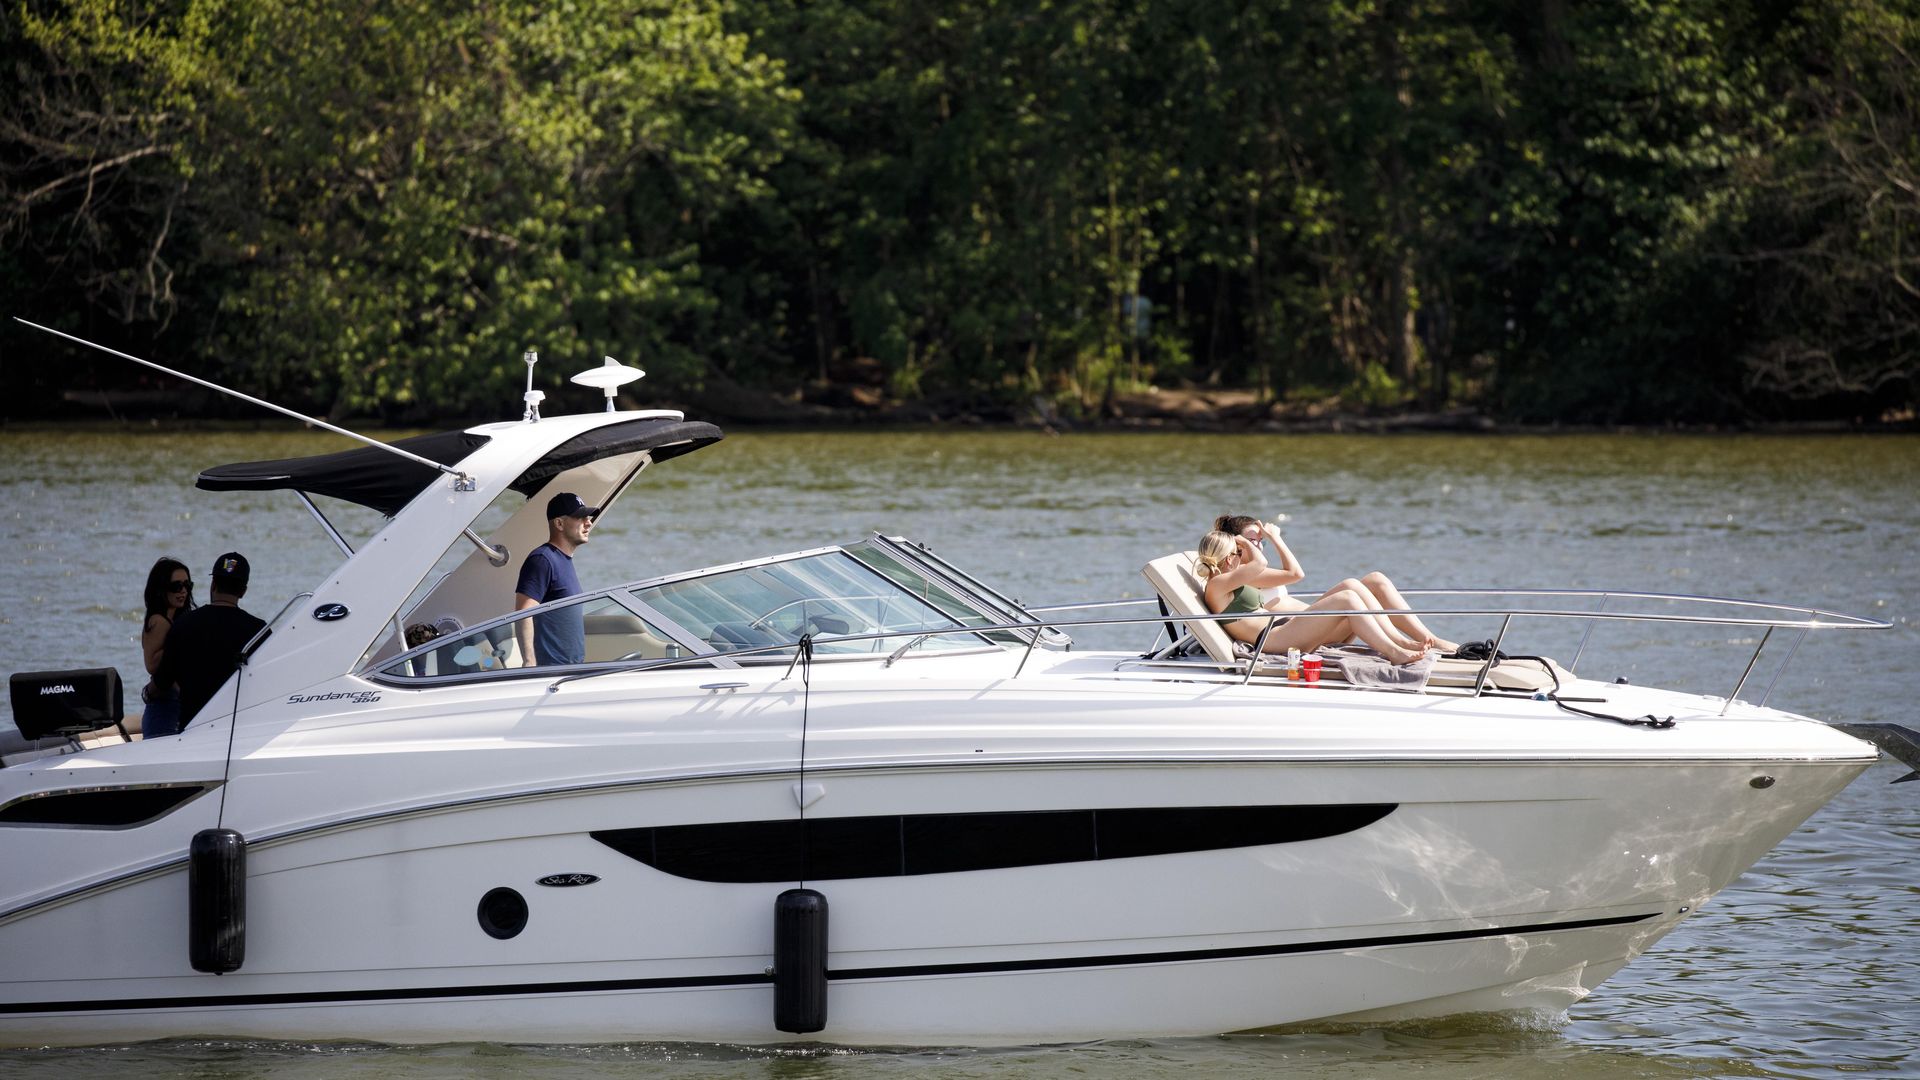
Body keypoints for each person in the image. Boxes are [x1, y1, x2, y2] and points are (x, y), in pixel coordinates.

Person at [1214, 513, 1456, 653]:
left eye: (1260, 542)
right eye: (1252, 541)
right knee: (1351, 589)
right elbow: (1296, 573)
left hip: (1308, 624)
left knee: (1375, 580)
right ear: (1235, 544)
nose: (1258, 545)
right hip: (1303, 631)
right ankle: (1401, 642)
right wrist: (1275, 539)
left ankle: (1428, 639)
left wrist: (1261, 542)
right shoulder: (1244, 573)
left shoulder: (1244, 573)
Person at [1194, 530, 1425, 665]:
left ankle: (1398, 641)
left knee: (1351, 585)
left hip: (1284, 628)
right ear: (1228, 558)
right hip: (1273, 640)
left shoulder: (1228, 579)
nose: (1241, 556)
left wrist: (1245, 546)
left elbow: (1291, 573)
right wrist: (1244, 542)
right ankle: (1394, 653)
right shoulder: (1216, 585)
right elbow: (1260, 563)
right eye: (1238, 552)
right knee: (1346, 599)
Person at [152, 552, 267, 728]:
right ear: (243, 591)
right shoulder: (259, 630)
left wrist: (146, 694)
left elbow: (162, 681)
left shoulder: (183, 624)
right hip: (240, 729)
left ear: (213, 585)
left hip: (192, 729)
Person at [514, 492, 597, 666]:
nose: (588, 523)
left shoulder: (563, 560)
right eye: (581, 518)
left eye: (588, 518)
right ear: (559, 523)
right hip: (551, 674)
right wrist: (529, 663)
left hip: (570, 670)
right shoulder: (542, 559)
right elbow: (523, 612)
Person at [138, 557, 195, 738]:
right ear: (162, 589)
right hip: (164, 709)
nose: (183, 591)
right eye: (176, 586)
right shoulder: (159, 621)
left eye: (187, 585)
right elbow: (152, 665)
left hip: (176, 706)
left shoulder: (175, 621)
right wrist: (180, 641)